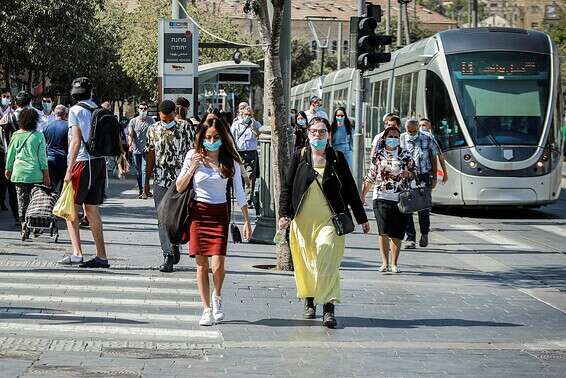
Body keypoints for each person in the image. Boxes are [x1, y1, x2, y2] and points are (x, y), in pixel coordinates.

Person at [279, 117, 370, 328]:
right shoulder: (300, 156)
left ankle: (328, 307)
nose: (317, 136)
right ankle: (309, 300)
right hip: (302, 221)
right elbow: (287, 187)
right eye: (314, 131)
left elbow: (350, 189)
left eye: (322, 132)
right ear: (308, 133)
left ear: (328, 134)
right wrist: (284, 214)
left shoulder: (337, 158)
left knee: (326, 257)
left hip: (330, 220)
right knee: (306, 262)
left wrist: (361, 218)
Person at [176, 117, 252, 326]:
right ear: (201, 137)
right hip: (198, 214)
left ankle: (217, 297)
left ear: (223, 138)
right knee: (201, 266)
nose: (211, 140)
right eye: (208, 137)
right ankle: (206, 308)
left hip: (219, 215)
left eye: (216, 137)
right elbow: (179, 187)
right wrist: (192, 167)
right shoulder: (192, 156)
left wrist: (246, 221)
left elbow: (239, 192)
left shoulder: (231, 160)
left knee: (218, 265)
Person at [58, 77, 110, 268]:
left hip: (81, 161)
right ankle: (101, 256)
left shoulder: (75, 111)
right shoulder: (98, 109)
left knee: (69, 207)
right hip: (98, 162)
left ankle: (77, 253)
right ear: (91, 92)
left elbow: (75, 141)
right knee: (92, 209)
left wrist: (68, 169)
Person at [146, 100, 194, 273]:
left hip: (181, 180)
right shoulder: (153, 129)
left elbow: (193, 151)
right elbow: (150, 154)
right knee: (162, 218)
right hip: (160, 180)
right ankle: (167, 255)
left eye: (169, 119)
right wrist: (146, 183)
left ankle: (175, 244)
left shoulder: (186, 128)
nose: (166, 122)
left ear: (176, 112)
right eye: (163, 119)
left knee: (178, 217)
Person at [361, 125, 416, 273]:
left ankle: (394, 263)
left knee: (396, 232)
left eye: (396, 137)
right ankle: (384, 262)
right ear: (384, 138)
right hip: (380, 196)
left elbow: (414, 173)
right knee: (383, 231)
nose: (393, 139)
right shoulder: (378, 155)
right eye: (390, 136)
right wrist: (363, 194)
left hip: (400, 198)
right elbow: (371, 176)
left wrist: (407, 174)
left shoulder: (405, 155)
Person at [4, 108, 50, 234]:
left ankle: (24, 225)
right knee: (35, 201)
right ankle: (35, 225)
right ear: (35, 121)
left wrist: (8, 169)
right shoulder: (39, 136)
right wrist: (46, 175)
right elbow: (42, 158)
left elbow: (10, 154)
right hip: (36, 174)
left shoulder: (15, 135)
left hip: (19, 174)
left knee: (21, 201)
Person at [400, 118, 440, 249]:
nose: (411, 133)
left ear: (418, 128)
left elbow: (434, 157)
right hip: (406, 177)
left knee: (423, 208)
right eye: (409, 131)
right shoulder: (401, 138)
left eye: (414, 131)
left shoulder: (427, 138)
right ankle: (410, 238)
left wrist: (434, 176)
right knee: (407, 208)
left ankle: (424, 233)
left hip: (423, 176)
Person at [0, 91, 35, 224]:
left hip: (12, 157)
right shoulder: (34, 116)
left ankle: (18, 218)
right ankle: (30, 216)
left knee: (13, 189)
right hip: (31, 159)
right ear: (30, 102)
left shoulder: (7, 117)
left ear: (16, 103)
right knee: (32, 188)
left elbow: (3, 138)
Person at [230, 106, 261, 208]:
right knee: (240, 176)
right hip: (239, 153)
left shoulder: (255, 124)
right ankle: (241, 197)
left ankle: (248, 199)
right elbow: (232, 139)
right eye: (246, 115)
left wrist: (253, 127)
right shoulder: (236, 125)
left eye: (250, 115)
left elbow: (260, 134)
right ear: (242, 115)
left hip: (251, 153)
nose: (248, 116)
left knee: (250, 176)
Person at [128, 102, 153, 199]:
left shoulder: (151, 121)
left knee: (144, 170)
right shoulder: (133, 121)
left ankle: (143, 191)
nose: (143, 110)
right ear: (138, 109)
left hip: (146, 150)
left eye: (145, 108)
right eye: (141, 108)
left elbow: (153, 134)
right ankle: (140, 189)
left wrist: (150, 145)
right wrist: (130, 144)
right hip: (136, 149)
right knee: (138, 171)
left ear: (147, 110)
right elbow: (130, 134)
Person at [43, 105, 69, 193]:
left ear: (54, 113)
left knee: (50, 188)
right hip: (64, 161)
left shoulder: (47, 127)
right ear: (65, 114)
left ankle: (50, 205)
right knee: (64, 189)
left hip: (50, 160)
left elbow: (43, 144)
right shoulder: (68, 127)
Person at [418, 118, 448, 184]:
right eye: (419, 125)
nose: (421, 127)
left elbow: (439, 158)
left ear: (429, 127)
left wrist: (444, 174)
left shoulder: (433, 139)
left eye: (424, 125)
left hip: (428, 172)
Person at [0, 87, 13, 211]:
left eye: (8, 97)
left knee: (5, 179)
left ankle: (2, 201)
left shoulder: (12, 114)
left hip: (8, 150)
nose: (6, 99)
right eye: (4, 96)